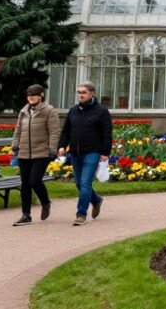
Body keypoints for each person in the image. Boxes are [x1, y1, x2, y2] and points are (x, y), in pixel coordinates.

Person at [57, 81, 112, 226]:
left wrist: (105, 152)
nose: (81, 95)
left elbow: (107, 133)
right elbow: (66, 130)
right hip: (75, 152)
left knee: (85, 183)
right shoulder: (74, 111)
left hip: (93, 152)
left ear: (92, 93)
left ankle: (81, 214)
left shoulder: (101, 111)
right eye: (79, 93)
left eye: (84, 92)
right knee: (79, 183)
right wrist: (62, 146)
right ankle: (96, 200)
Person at [10, 85, 60, 226]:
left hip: (41, 152)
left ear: (41, 96)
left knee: (35, 181)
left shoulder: (49, 111)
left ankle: (45, 202)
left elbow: (54, 132)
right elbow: (18, 130)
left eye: (34, 95)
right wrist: (15, 145)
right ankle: (26, 215)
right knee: (25, 184)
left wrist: (52, 150)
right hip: (24, 153)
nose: (31, 98)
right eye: (29, 95)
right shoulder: (24, 111)